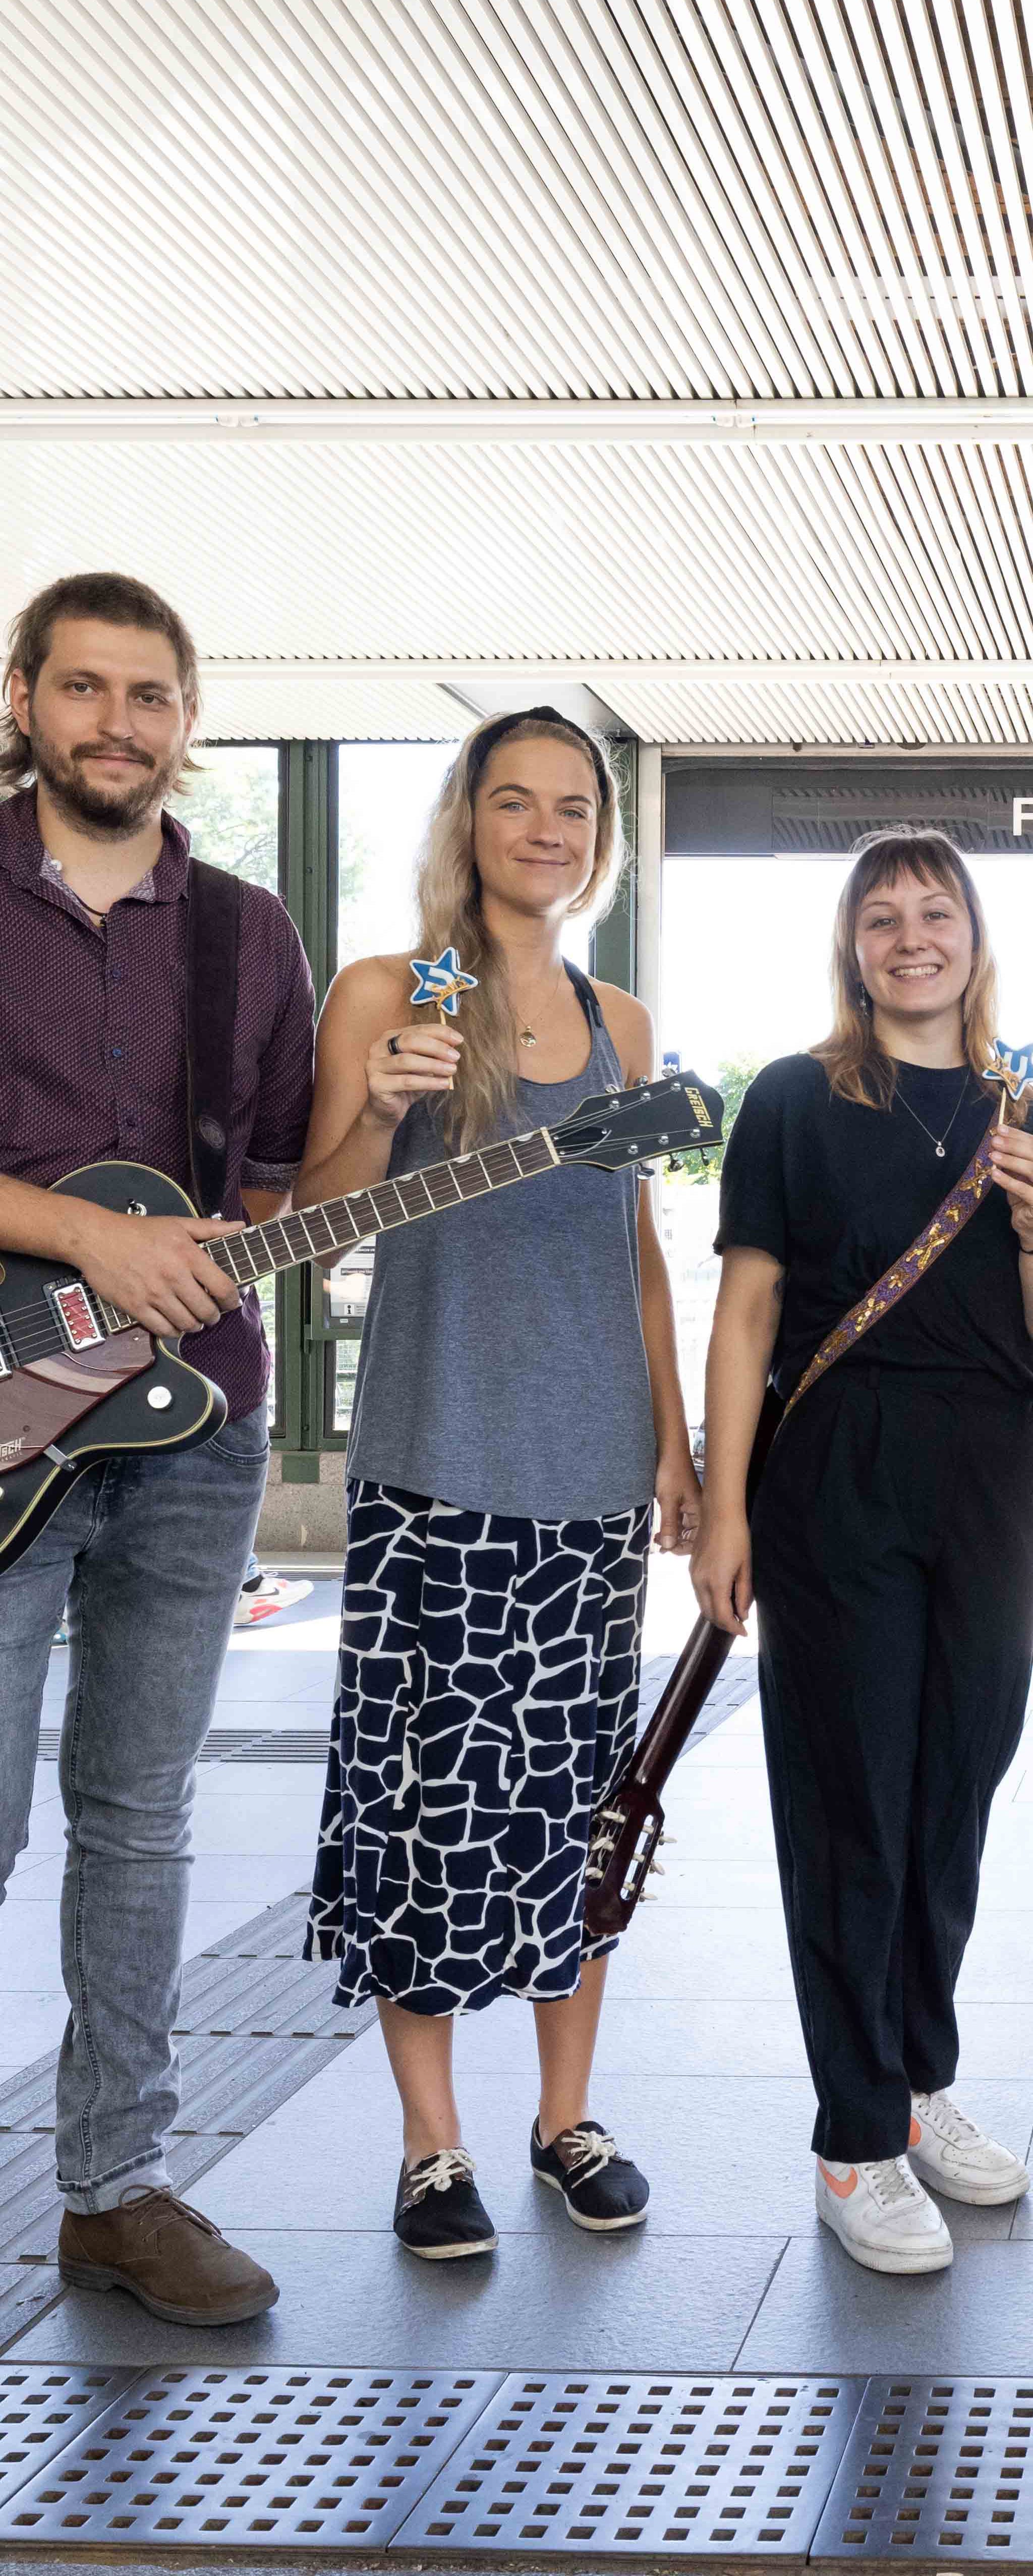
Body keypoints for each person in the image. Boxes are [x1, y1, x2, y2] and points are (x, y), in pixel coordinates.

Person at [299, 707, 697, 2261]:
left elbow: (638, 1251)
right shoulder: (401, 991)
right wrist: (385, 1108)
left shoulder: (622, 1022)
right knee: (427, 1806)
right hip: (435, 1458)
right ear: (466, 821)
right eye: (515, 802)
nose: (547, 828)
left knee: (575, 1804)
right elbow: (310, 1224)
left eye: (573, 806)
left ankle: (563, 2114)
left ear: (598, 833)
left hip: (591, 1470)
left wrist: (671, 1442)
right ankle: (431, 2140)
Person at [696, 831, 1033, 2277]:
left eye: (937, 914)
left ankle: (921, 2082)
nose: (912, 937)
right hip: (836, 1469)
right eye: (885, 917)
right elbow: (748, 1313)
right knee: (849, 1797)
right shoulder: (795, 1101)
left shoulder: (1029, 1110)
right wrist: (723, 1507)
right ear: (852, 945)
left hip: (996, 1472)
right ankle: (853, 2137)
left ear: (975, 938)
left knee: (954, 1787)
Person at [0, 573, 313, 2325]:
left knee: (140, 1815)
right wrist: (78, 1234)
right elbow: (98, 1226)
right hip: (3, 1406)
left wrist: (373, 1152)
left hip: (194, 1426)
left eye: (153, 696)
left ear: (190, 718)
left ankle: (116, 2185)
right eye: (88, 690)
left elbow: (264, 1180)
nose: (120, 724)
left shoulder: (244, 930)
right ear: (27, 697)